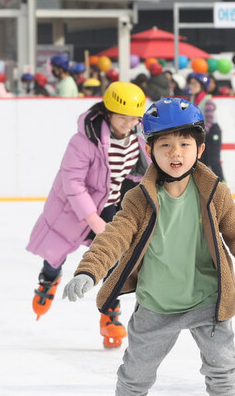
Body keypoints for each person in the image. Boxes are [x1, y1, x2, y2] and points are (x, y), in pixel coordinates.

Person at [61, 97, 235, 396]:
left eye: (184, 144)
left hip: (208, 300)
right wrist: (89, 270)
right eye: (164, 145)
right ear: (150, 153)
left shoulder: (215, 194)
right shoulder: (139, 198)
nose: (175, 153)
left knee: (223, 367)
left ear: (200, 148)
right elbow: (114, 236)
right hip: (156, 303)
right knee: (136, 372)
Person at [26, 82, 149, 348]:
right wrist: (93, 219)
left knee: (113, 257)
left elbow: (142, 170)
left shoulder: (138, 136)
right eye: (122, 117)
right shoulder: (84, 141)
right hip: (73, 206)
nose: (128, 123)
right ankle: (48, 280)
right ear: (108, 113)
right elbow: (73, 183)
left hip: (110, 202)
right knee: (55, 252)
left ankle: (110, 315)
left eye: (133, 118)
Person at [199, 99, 225, 181]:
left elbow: (210, 119)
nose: (192, 87)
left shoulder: (207, 101)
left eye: (195, 85)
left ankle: (222, 185)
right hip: (203, 132)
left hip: (212, 131)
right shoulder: (194, 99)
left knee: (214, 160)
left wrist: (202, 132)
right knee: (202, 161)